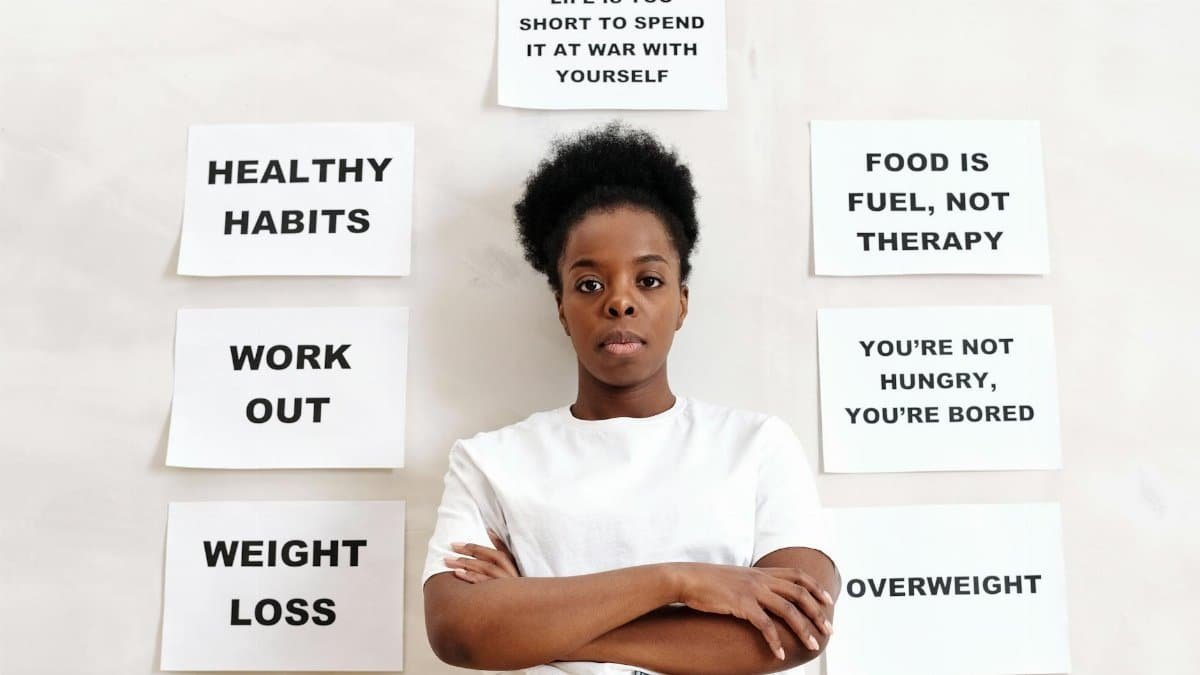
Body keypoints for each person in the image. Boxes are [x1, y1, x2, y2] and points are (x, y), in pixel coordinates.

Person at [421, 122, 840, 675]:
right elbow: (461, 633)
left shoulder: (757, 445)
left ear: (682, 303)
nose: (619, 302)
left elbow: (793, 632)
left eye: (648, 280)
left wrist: (540, 623)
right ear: (561, 307)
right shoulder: (490, 461)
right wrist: (681, 580)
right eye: (590, 284)